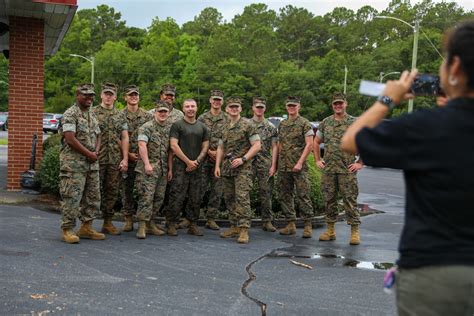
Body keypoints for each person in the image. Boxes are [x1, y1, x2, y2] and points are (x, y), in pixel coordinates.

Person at [340, 21, 474, 316]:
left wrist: (388, 98)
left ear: (453, 69)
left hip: (433, 273)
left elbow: (350, 141)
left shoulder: (424, 128)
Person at [313, 93, 363, 245]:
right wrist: (317, 160)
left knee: (350, 200)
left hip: (347, 169)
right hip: (329, 169)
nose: (338, 106)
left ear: (346, 104)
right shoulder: (326, 122)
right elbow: (316, 142)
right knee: (329, 200)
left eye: (340, 103)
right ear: (332, 105)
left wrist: (360, 162)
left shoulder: (354, 122)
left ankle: (354, 232)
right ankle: (330, 230)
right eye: (335, 104)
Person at [59, 83, 104, 243]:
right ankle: (67, 229)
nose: (89, 98)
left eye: (91, 95)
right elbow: (70, 138)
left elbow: (98, 134)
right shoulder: (70, 114)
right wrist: (89, 153)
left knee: (93, 197)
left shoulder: (91, 113)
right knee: (72, 197)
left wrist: (96, 152)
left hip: (92, 163)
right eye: (85, 95)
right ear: (77, 95)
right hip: (74, 165)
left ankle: (86, 227)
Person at [215, 97, 261, 244]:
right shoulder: (224, 126)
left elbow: (257, 145)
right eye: (231, 107)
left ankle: (244, 229)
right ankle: (234, 226)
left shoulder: (248, 125)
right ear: (227, 109)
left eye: (237, 107)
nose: (234, 109)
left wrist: (243, 159)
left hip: (243, 168)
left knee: (242, 197)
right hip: (228, 168)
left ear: (241, 109)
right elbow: (221, 148)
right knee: (229, 198)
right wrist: (217, 166)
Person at [166, 99, 209, 236]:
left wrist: (197, 161)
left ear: (196, 108)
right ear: (183, 109)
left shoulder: (202, 127)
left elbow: (206, 146)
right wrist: (187, 161)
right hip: (180, 167)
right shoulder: (177, 125)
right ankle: (171, 223)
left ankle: (193, 224)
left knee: (195, 197)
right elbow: (173, 145)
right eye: (187, 106)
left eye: (192, 106)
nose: (190, 109)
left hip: (197, 167)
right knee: (177, 195)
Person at [92, 83, 129, 236]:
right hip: (96, 159)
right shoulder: (92, 112)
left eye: (111, 94)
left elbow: (125, 136)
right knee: (93, 191)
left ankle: (108, 222)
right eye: (106, 94)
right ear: (101, 95)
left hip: (114, 159)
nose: (108, 97)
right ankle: (87, 224)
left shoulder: (120, 115)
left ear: (115, 97)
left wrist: (125, 158)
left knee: (112, 191)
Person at [134, 101, 173, 239]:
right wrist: (146, 164)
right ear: (155, 112)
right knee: (146, 197)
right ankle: (142, 226)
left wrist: (170, 169)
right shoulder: (147, 127)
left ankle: (151, 223)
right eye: (160, 111)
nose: (162, 114)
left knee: (158, 198)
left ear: (168, 113)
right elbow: (142, 145)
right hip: (148, 169)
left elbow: (170, 151)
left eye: (165, 112)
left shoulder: (169, 129)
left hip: (162, 169)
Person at [277, 96, 314, 238]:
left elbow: (309, 144)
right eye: (289, 105)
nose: (292, 108)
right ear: (286, 107)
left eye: (294, 105)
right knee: (284, 195)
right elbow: (280, 144)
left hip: (299, 166)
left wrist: (299, 162)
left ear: (299, 106)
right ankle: (290, 224)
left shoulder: (305, 123)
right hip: (284, 166)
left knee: (303, 194)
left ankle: (307, 225)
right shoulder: (283, 124)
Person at [120, 85, 153, 232]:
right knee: (126, 189)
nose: (133, 97)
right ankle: (128, 219)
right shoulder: (119, 115)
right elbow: (116, 137)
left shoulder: (148, 116)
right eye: (130, 95)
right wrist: (127, 155)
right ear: (125, 97)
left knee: (143, 190)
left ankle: (144, 221)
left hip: (142, 160)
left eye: (136, 95)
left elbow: (153, 137)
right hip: (126, 158)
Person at [197, 90, 229, 230]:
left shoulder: (228, 118)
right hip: (204, 159)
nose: (217, 102)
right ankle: (192, 217)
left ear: (222, 102)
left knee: (217, 191)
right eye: (214, 99)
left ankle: (211, 218)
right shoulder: (202, 118)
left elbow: (232, 140)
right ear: (210, 100)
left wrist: (220, 153)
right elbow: (196, 137)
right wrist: (209, 151)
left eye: (219, 99)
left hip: (220, 161)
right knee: (199, 189)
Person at [249, 97, 278, 232]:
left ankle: (267, 221)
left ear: (264, 109)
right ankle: (243, 221)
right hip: (248, 163)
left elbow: (275, 147)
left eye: (261, 107)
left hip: (264, 163)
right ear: (253, 108)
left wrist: (273, 165)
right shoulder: (246, 124)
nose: (259, 109)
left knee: (266, 193)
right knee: (244, 193)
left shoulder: (271, 127)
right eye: (257, 107)